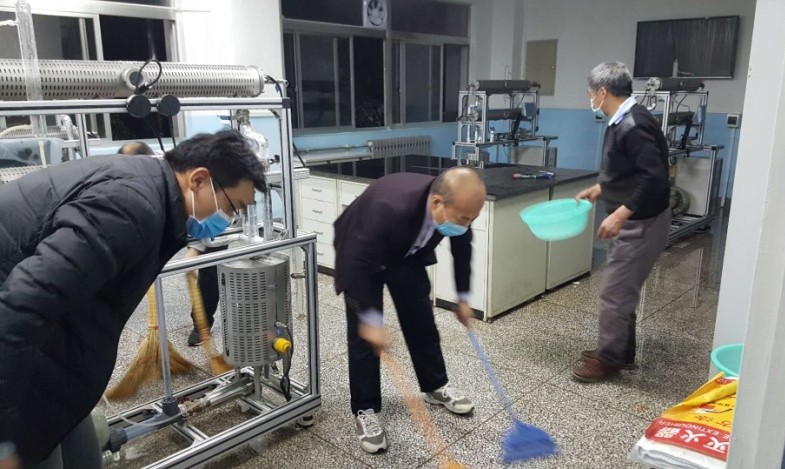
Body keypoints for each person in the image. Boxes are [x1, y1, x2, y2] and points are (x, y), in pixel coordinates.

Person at [0, 130, 266, 468]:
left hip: (45, 355)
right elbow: (21, 307)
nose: (227, 221)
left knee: (77, 443)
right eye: (231, 208)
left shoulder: (148, 193)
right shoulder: (130, 207)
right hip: (14, 358)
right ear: (199, 180)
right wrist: (4, 440)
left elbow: (68, 293)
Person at [333, 167, 486, 453]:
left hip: (406, 254)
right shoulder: (388, 209)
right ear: (437, 203)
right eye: (465, 219)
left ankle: (434, 386)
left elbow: (462, 246)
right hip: (360, 256)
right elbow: (352, 263)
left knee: (422, 321)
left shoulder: (457, 208)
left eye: (472, 219)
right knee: (364, 337)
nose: (467, 225)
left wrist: (463, 297)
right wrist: (370, 321)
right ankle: (365, 409)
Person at [572, 62, 671, 383]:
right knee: (623, 288)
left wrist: (619, 213)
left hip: (642, 224)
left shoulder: (633, 124)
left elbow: (654, 179)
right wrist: (602, 188)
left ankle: (609, 359)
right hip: (637, 220)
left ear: (602, 92)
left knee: (615, 292)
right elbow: (629, 169)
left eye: (590, 93)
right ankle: (622, 350)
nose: (590, 99)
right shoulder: (623, 120)